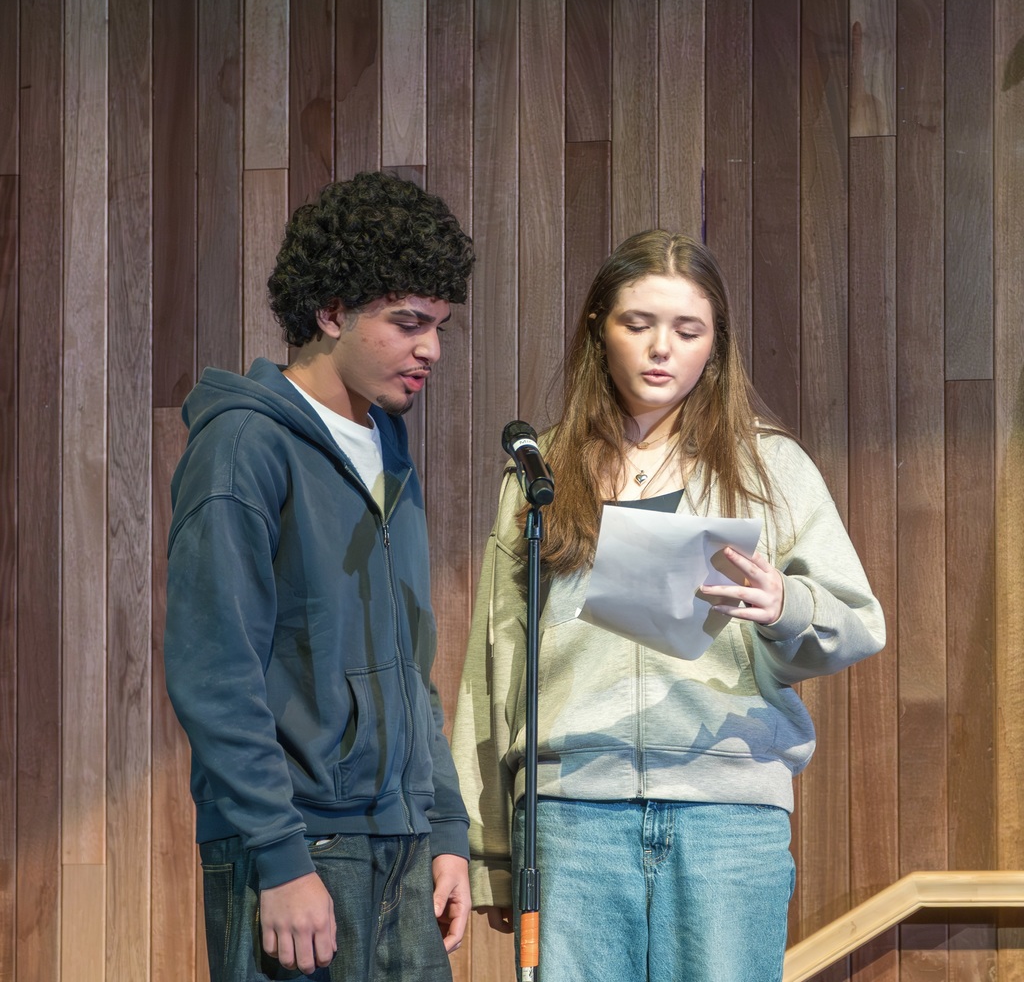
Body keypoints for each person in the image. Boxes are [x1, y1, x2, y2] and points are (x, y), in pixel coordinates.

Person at [451, 229, 886, 982]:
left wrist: (786, 604)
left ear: (714, 346)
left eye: (688, 331)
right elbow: (495, 667)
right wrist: (490, 849)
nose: (662, 349)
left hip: (726, 814)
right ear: (598, 329)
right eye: (638, 324)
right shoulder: (540, 473)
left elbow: (857, 622)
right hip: (573, 814)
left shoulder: (769, 466)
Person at [164, 171, 475, 982]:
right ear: (330, 312)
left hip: (400, 849)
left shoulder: (389, 452)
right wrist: (279, 855)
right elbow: (216, 669)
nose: (431, 349)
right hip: (301, 849)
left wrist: (443, 826)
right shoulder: (243, 447)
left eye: (439, 326)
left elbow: (412, 671)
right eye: (408, 323)